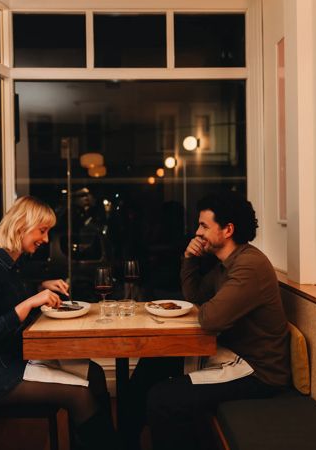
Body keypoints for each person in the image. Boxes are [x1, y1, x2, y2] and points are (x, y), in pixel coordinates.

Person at [123, 191, 291, 450]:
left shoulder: (249, 266)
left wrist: (207, 306)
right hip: (229, 355)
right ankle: (125, 443)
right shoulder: (225, 263)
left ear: (228, 230)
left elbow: (210, 319)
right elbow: (196, 297)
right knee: (150, 366)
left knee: (163, 399)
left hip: (257, 371)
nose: (197, 232)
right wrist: (189, 260)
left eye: (203, 225)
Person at [0, 196, 117, 450]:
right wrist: (29, 303)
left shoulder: (6, 266)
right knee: (80, 394)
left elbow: (4, 299)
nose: (45, 239)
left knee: (95, 373)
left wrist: (39, 287)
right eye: (42, 231)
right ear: (21, 225)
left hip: (12, 359)